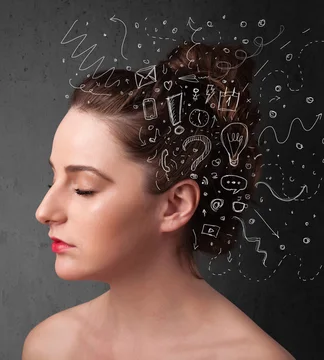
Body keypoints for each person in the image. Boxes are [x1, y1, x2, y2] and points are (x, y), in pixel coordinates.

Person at [22, 42, 296, 359]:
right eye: (53, 179)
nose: (44, 212)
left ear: (175, 205)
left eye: (84, 188)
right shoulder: (50, 346)